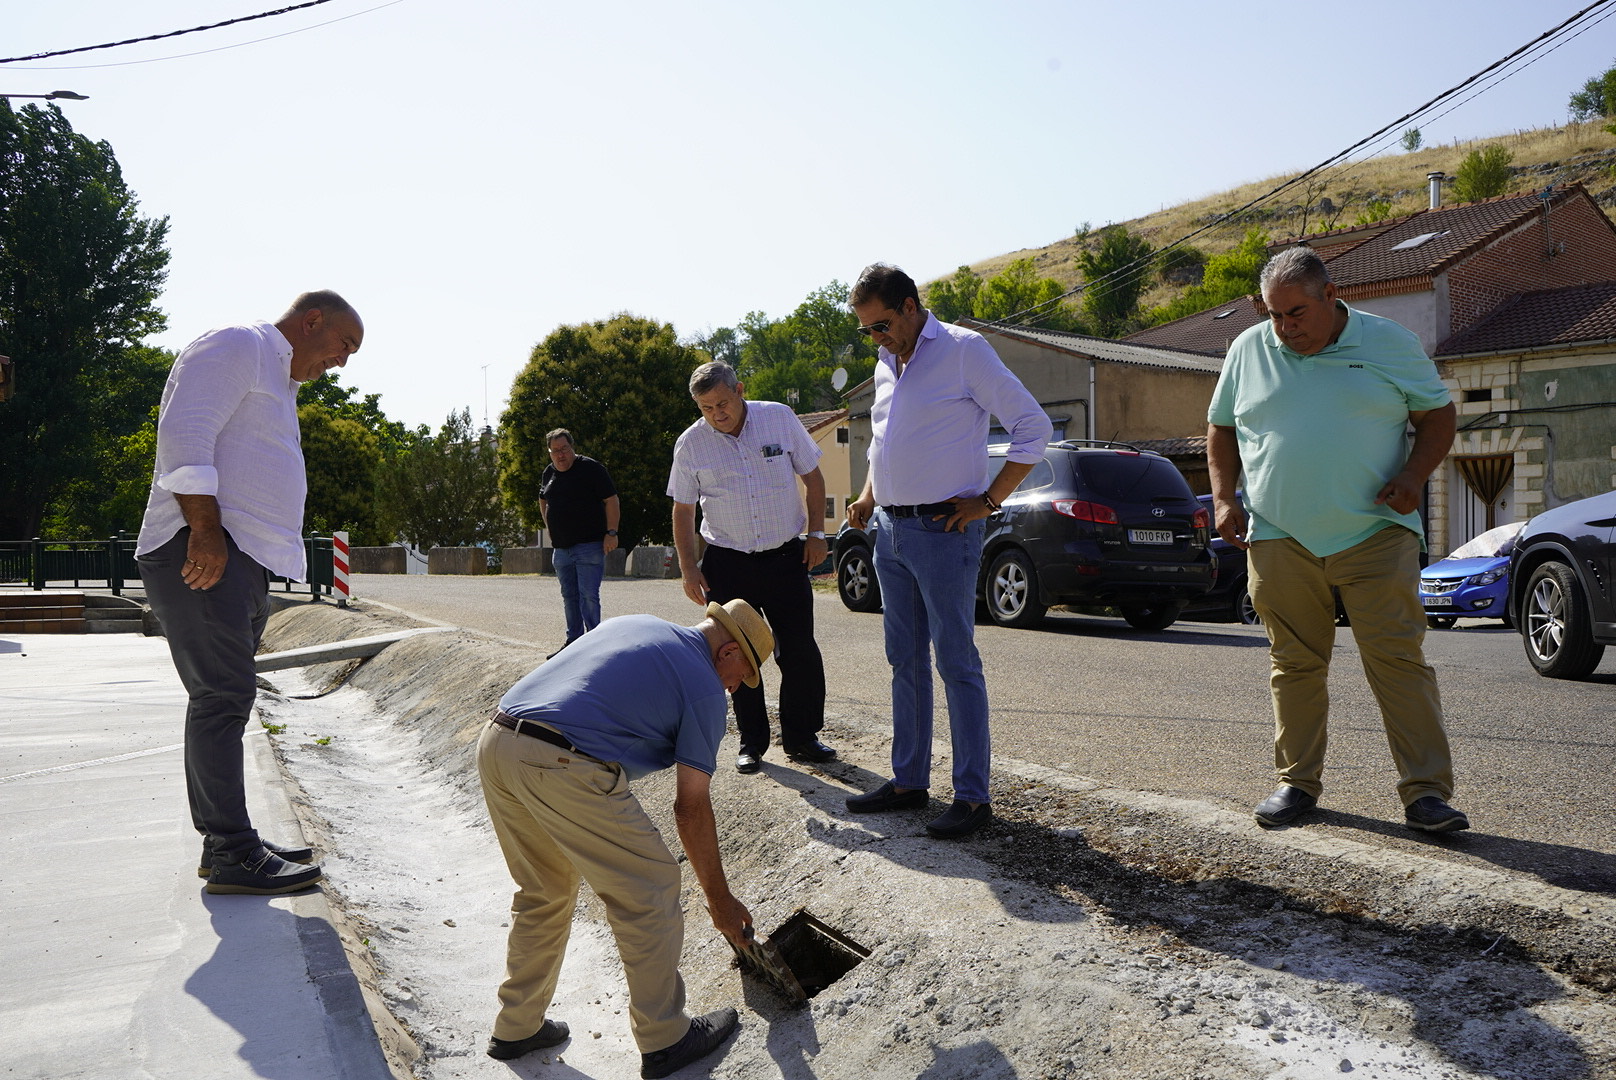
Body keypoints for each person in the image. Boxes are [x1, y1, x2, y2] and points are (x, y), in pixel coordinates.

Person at [1206, 245, 1468, 833]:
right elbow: (1221, 425)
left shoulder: (1389, 342)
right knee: (1293, 664)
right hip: (1279, 535)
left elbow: (1438, 416)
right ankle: (1296, 784)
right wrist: (1225, 498)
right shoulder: (1248, 349)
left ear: (1330, 295)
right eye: (1272, 315)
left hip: (1376, 530)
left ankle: (1426, 794)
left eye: (1295, 312)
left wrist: (1413, 476)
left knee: (1397, 662)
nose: (1283, 328)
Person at [475, 600, 772, 1078]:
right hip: (561, 761)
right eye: (743, 674)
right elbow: (691, 806)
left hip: (498, 740)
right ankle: (666, 1039)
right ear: (729, 651)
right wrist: (719, 899)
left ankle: (517, 1026)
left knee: (544, 890)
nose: (737, 688)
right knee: (651, 886)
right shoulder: (705, 691)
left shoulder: (642, 624)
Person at [135, 290, 364, 895]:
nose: (342, 362)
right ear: (312, 320)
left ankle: (227, 843)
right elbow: (183, 436)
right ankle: (232, 853)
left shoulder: (279, 380)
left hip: (239, 558)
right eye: (344, 345)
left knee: (222, 697)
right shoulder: (238, 345)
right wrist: (205, 530)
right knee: (222, 697)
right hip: (205, 547)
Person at [843, 263, 1053, 840]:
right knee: (903, 662)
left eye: (882, 324)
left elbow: (1032, 428)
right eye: (866, 330)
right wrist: (866, 499)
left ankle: (972, 797)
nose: (876, 337)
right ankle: (909, 782)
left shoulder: (964, 350)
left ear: (911, 306)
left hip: (943, 530)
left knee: (955, 661)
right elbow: (882, 447)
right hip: (890, 530)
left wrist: (988, 500)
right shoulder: (887, 362)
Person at [668, 361, 835, 774]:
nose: (716, 414)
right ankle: (752, 742)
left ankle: (803, 737)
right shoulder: (691, 444)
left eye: (722, 403)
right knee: (737, 655)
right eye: (706, 408)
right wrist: (690, 569)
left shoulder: (778, 417)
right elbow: (683, 510)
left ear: (740, 389)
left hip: (785, 557)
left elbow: (813, 479)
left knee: (798, 650)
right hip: (728, 563)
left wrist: (817, 535)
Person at [538, 429, 619, 650]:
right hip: (561, 549)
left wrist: (611, 532)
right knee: (569, 596)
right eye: (555, 451)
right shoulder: (549, 473)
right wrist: (551, 527)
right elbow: (543, 499)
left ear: (572, 447)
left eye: (564, 449)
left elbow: (611, 499)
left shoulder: (591, 469)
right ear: (550, 452)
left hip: (589, 545)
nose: (560, 455)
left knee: (589, 596)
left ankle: (594, 644)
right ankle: (573, 643)